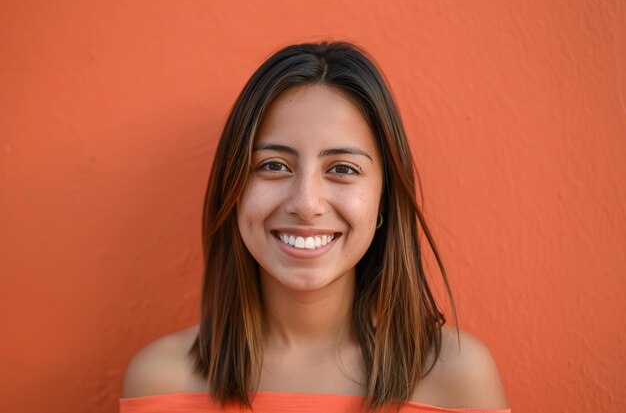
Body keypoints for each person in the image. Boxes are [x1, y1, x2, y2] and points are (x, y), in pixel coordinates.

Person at [120, 41, 510, 412]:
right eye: (273, 165)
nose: (306, 204)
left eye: (342, 169)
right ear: (233, 190)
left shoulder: (457, 378)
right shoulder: (160, 381)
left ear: (383, 201)